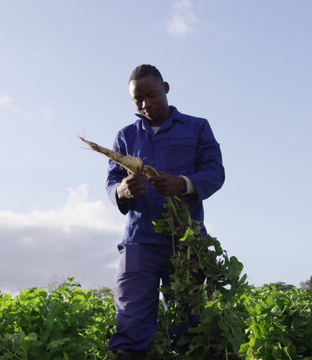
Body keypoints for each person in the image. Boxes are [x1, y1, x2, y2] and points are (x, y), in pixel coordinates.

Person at [106, 64, 225, 359]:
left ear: (166, 88)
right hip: (139, 242)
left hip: (185, 242)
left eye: (152, 95)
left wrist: (183, 184)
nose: (146, 104)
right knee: (130, 320)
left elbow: (215, 172)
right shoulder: (125, 137)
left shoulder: (197, 127)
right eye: (138, 99)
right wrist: (123, 190)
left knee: (188, 322)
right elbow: (111, 182)